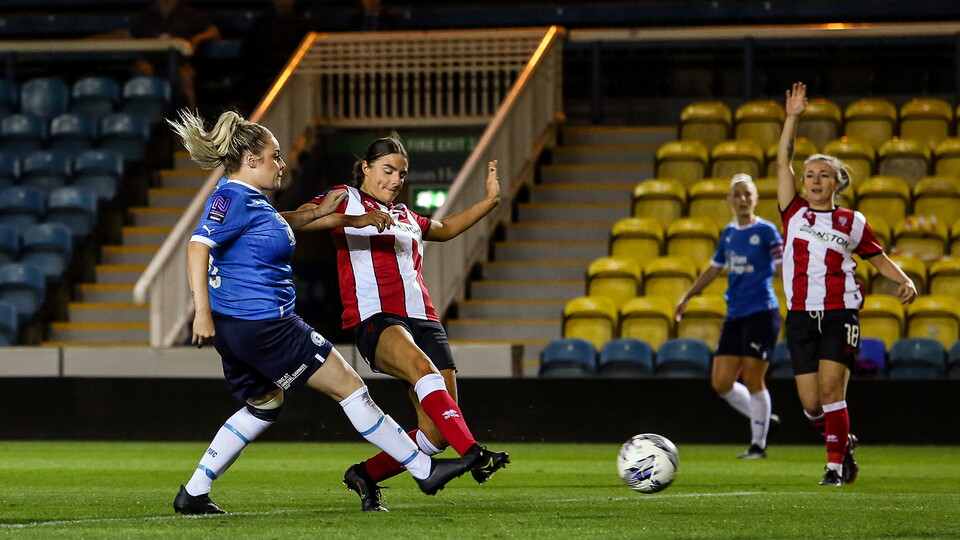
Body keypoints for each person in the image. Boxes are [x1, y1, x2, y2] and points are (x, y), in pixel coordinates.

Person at [167, 111, 476, 515]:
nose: (282, 164)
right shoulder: (232, 197)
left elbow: (280, 223)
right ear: (251, 160)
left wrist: (332, 214)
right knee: (350, 388)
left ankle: (193, 492)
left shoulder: (251, 201)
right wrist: (200, 312)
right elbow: (197, 246)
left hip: (240, 329)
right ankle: (423, 469)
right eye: (275, 156)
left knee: (265, 405)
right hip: (267, 323)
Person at [293, 133, 509, 512]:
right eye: (388, 170)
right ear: (365, 167)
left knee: (436, 433)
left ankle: (365, 474)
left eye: (402, 175)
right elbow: (296, 222)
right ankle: (474, 451)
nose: (395, 181)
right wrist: (352, 219)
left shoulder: (406, 216)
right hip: (376, 317)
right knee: (423, 371)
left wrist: (490, 201)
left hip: (425, 319)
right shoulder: (346, 196)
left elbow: (444, 229)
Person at [777, 82, 917, 486]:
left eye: (823, 175)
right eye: (809, 175)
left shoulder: (853, 222)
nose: (814, 180)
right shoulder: (794, 213)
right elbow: (782, 160)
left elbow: (877, 258)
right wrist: (793, 117)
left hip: (840, 313)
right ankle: (844, 442)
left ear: (837, 182)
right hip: (800, 316)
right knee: (809, 405)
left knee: (830, 389)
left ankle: (834, 468)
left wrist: (903, 279)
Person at [674, 173, 783, 460]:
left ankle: (758, 444)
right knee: (721, 383)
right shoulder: (729, 233)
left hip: (761, 311)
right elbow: (714, 268)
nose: (743, 199)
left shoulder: (768, 231)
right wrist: (687, 296)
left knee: (753, 379)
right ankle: (761, 417)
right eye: (738, 194)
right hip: (734, 314)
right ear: (730, 200)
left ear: (756, 198)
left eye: (748, 194)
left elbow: (785, 265)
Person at [113, 0, 221, 110]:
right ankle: (146, 113)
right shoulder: (148, 14)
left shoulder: (187, 12)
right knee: (142, 70)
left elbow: (213, 31)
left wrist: (198, 38)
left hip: (180, 63)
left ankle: (192, 119)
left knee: (185, 78)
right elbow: (130, 35)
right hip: (151, 61)